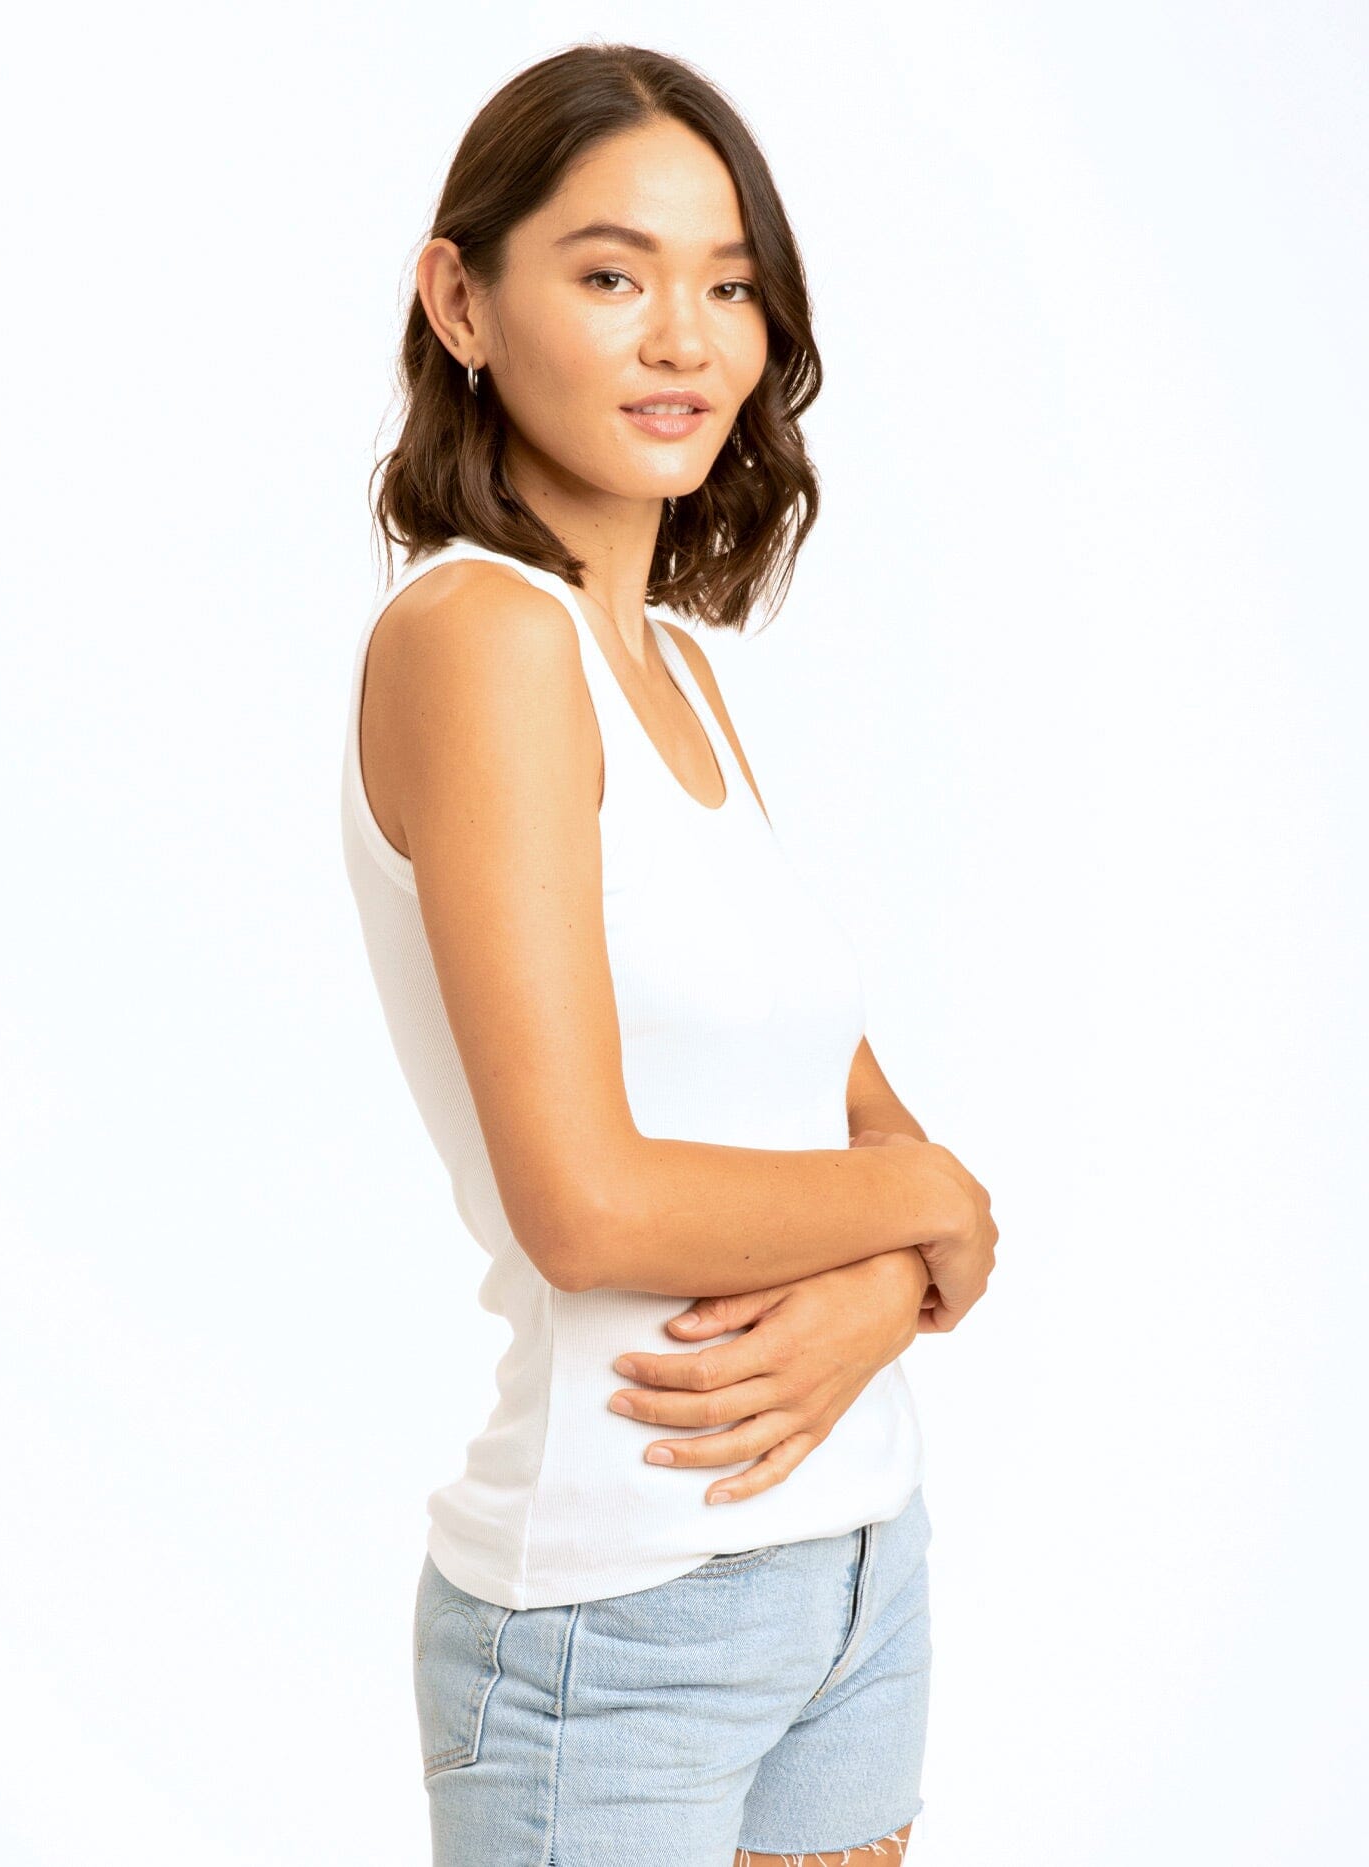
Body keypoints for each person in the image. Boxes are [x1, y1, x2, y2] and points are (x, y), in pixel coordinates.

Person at [340, 41, 997, 1867]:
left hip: (857, 1565)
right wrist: (936, 1212)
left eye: (729, 286)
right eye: (613, 275)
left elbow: (847, 1123)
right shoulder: (479, 638)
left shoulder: (679, 671)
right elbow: (589, 1204)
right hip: (617, 1618)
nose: (685, 342)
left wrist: (891, 1273)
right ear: (461, 300)